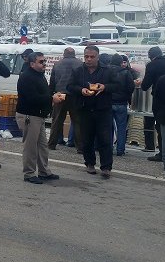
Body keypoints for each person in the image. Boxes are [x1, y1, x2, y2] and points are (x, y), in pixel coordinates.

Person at [67, 45, 118, 179]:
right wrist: (81, 90)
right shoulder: (78, 71)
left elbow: (118, 86)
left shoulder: (107, 70)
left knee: (105, 139)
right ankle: (89, 163)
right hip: (84, 109)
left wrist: (105, 87)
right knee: (86, 139)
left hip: (103, 109)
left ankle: (106, 167)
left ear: (98, 57)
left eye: (92, 57)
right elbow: (70, 86)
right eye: (86, 57)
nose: (89, 59)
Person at [16, 52, 62, 184]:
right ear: (32, 64)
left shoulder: (40, 76)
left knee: (42, 146)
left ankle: (44, 171)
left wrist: (53, 95)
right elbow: (32, 98)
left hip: (39, 115)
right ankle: (29, 173)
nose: (44, 64)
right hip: (29, 115)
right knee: (30, 146)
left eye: (44, 61)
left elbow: (43, 93)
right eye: (41, 62)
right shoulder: (26, 77)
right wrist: (50, 98)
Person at [48, 47, 82, 150]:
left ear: (64, 54)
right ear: (74, 54)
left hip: (60, 95)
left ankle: (52, 144)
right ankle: (80, 147)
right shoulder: (80, 64)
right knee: (77, 122)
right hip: (75, 96)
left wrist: (50, 96)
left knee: (57, 121)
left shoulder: (57, 64)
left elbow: (52, 82)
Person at [140, 46, 165, 159]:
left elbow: (145, 86)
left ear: (150, 56)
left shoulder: (152, 65)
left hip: (160, 99)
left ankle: (163, 153)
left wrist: (142, 83)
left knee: (160, 126)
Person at [109, 53, 135, 156]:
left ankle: (108, 148)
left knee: (108, 127)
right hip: (121, 103)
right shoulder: (126, 72)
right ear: (121, 62)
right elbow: (131, 87)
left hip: (108, 102)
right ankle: (120, 150)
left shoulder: (106, 71)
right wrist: (127, 96)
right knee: (121, 127)